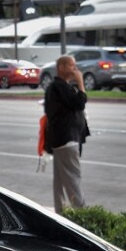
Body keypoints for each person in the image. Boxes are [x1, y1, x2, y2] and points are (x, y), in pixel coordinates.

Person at [43, 54, 91, 212]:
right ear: (61, 67)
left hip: (62, 141)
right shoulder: (59, 87)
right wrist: (81, 83)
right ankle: (82, 215)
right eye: (72, 66)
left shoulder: (59, 88)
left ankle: (60, 212)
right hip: (67, 141)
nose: (75, 69)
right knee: (72, 179)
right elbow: (80, 102)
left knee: (60, 181)